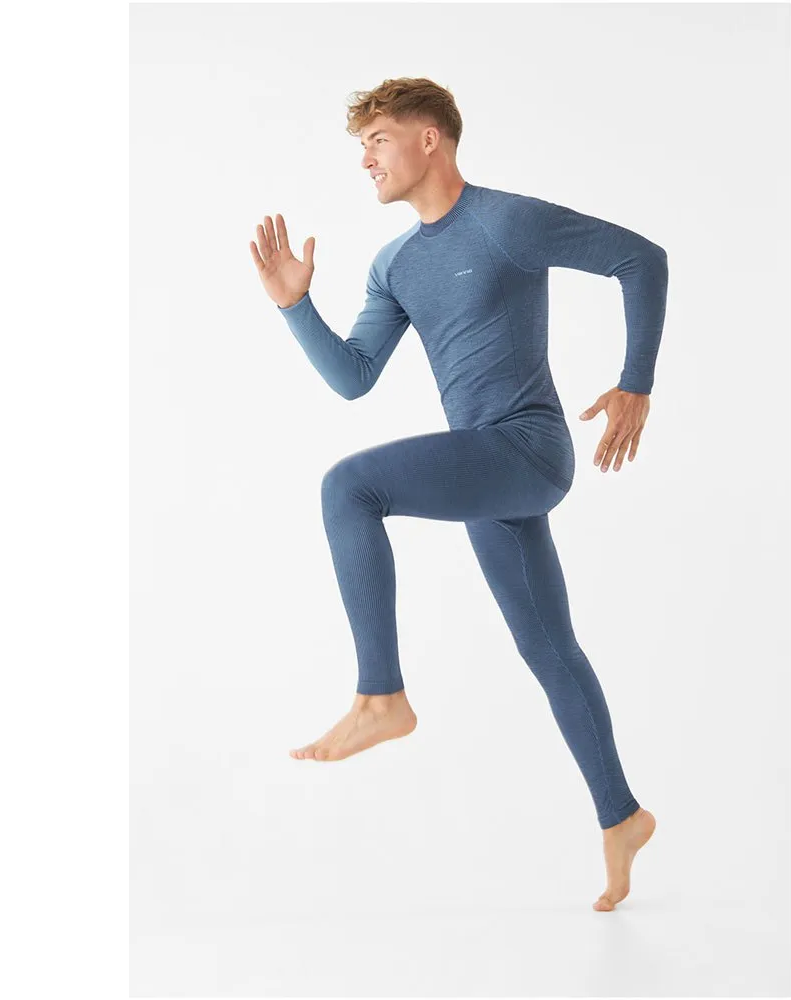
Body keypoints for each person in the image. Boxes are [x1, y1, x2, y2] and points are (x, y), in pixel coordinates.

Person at [248, 78, 667, 912]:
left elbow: (641, 259)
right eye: (361, 146)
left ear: (429, 139)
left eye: (378, 140)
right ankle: (623, 817)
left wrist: (635, 383)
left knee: (349, 487)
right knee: (550, 651)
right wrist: (296, 307)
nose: (366, 159)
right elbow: (354, 378)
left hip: (527, 448)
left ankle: (381, 696)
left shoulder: (507, 221)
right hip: (486, 473)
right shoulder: (395, 265)